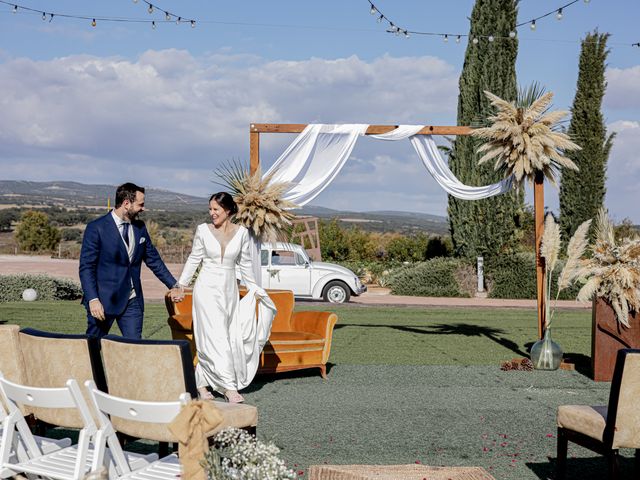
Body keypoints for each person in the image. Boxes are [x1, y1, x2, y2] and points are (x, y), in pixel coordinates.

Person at [177, 192, 276, 403]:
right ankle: (229, 387)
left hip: (229, 290)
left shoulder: (241, 233)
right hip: (205, 290)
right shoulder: (203, 230)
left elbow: (246, 265)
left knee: (225, 336)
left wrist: (255, 289)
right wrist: (181, 285)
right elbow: (194, 259)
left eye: (216, 209)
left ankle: (201, 383)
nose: (211, 213)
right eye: (210, 209)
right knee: (215, 337)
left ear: (228, 210)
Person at [79, 182, 182, 339]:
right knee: (93, 346)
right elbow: (87, 267)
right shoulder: (96, 228)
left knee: (134, 348)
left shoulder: (140, 227)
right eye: (140, 204)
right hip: (103, 301)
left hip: (132, 301)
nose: (143, 208)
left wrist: (173, 285)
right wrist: (93, 299)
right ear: (126, 203)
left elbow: (153, 260)